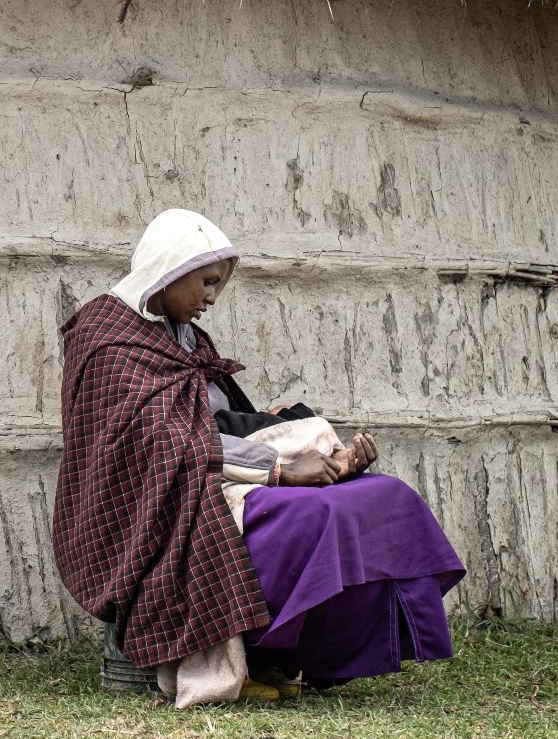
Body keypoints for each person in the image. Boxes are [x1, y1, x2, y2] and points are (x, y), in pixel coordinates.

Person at [54, 208, 465, 707]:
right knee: (310, 518)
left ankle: (280, 654)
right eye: (207, 282)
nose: (211, 298)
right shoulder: (109, 340)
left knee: (383, 497)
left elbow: (212, 420)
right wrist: (280, 470)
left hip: (212, 470)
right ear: (170, 270)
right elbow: (161, 442)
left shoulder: (180, 334)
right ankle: (245, 653)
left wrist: (301, 445)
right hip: (153, 504)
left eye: (217, 285)